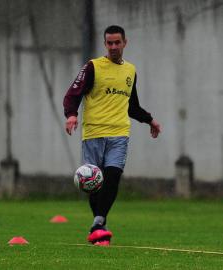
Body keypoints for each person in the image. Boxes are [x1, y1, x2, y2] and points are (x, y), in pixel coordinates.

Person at [63, 25, 161, 246]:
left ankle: (98, 223)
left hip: (119, 134)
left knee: (113, 177)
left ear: (125, 42)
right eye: (110, 43)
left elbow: (132, 106)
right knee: (93, 184)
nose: (114, 46)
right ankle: (100, 228)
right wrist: (71, 115)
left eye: (118, 42)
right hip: (94, 133)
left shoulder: (130, 71)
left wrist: (149, 120)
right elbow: (73, 93)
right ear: (105, 44)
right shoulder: (93, 67)